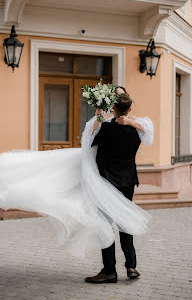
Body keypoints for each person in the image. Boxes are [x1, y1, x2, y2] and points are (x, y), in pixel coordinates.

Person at [0, 86, 154, 262]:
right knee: (116, 221)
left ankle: (112, 269)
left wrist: (125, 122)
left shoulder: (125, 125)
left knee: (110, 223)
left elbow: (96, 143)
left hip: (112, 179)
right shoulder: (121, 127)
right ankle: (128, 265)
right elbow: (89, 143)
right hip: (116, 178)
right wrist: (101, 118)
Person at [85, 94, 144, 284]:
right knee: (125, 223)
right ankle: (131, 265)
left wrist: (98, 117)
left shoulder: (107, 128)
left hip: (107, 182)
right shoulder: (136, 132)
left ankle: (109, 270)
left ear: (114, 109)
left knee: (105, 225)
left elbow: (90, 143)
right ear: (129, 110)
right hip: (127, 181)